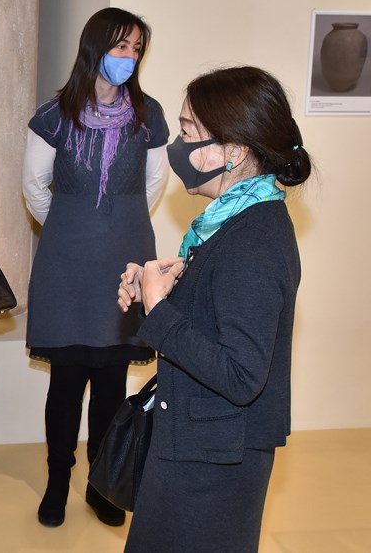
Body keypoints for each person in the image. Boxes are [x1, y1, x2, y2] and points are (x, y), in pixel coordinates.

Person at [117, 66, 311, 552]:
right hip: (197, 448)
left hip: (214, 466)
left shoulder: (255, 240)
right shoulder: (229, 222)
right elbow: (208, 324)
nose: (177, 146)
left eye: (188, 132)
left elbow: (241, 375)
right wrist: (152, 295)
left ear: (234, 151)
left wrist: (159, 309)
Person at [22, 7, 169, 528]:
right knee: (66, 382)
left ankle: (102, 485)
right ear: (94, 47)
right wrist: (73, 222)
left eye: (136, 48)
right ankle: (57, 482)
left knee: (111, 382)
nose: (129, 56)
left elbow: (154, 186)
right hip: (66, 264)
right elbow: (34, 188)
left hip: (125, 261)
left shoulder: (149, 115)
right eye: (120, 45)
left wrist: (115, 223)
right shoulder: (53, 114)